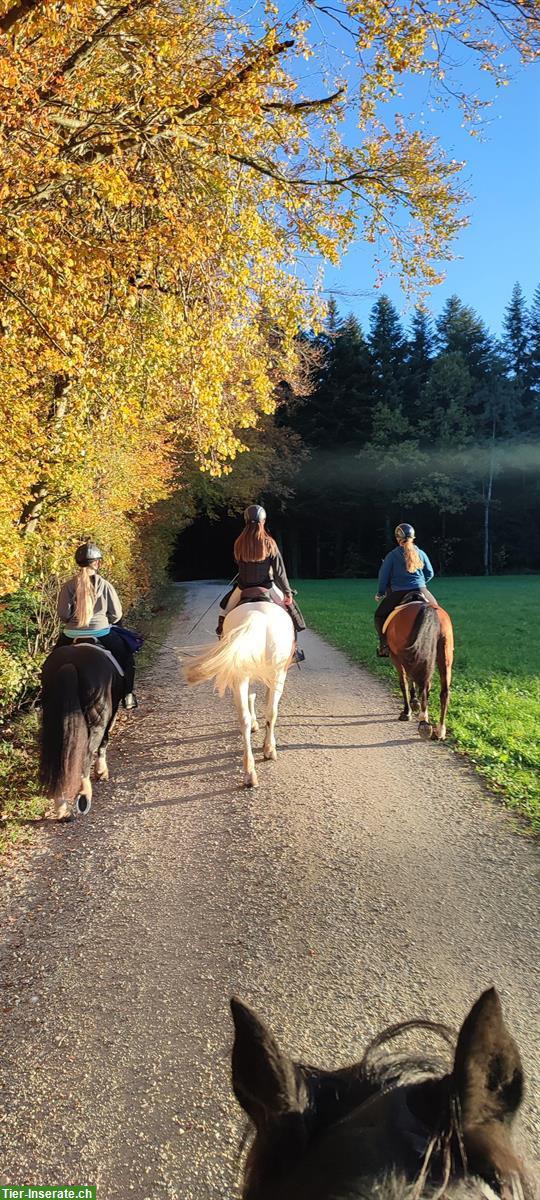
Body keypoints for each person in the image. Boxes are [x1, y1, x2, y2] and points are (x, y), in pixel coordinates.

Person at [217, 504, 305, 662]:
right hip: (267, 587)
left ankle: (223, 644)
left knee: (224, 612)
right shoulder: (269, 542)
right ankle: (293, 651)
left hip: (243, 588)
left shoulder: (239, 543)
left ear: (245, 521)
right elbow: (279, 571)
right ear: (263, 521)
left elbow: (238, 561)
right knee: (290, 613)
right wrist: (287, 593)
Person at [56, 542, 138, 708]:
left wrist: (74, 623)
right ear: (97, 562)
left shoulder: (68, 586)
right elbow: (116, 615)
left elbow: (63, 614)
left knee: (52, 662)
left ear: (78, 563)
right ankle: (128, 696)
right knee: (127, 659)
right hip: (101, 632)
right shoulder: (105, 585)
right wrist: (107, 620)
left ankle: (47, 695)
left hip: (71, 634)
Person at [374, 523, 437, 657]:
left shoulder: (392, 555)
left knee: (379, 616)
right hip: (421, 589)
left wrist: (380, 592)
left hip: (399, 592)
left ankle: (384, 646)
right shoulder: (421, 553)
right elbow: (430, 573)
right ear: (413, 537)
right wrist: (420, 583)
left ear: (397, 538)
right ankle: (442, 643)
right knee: (437, 613)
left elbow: (383, 576)